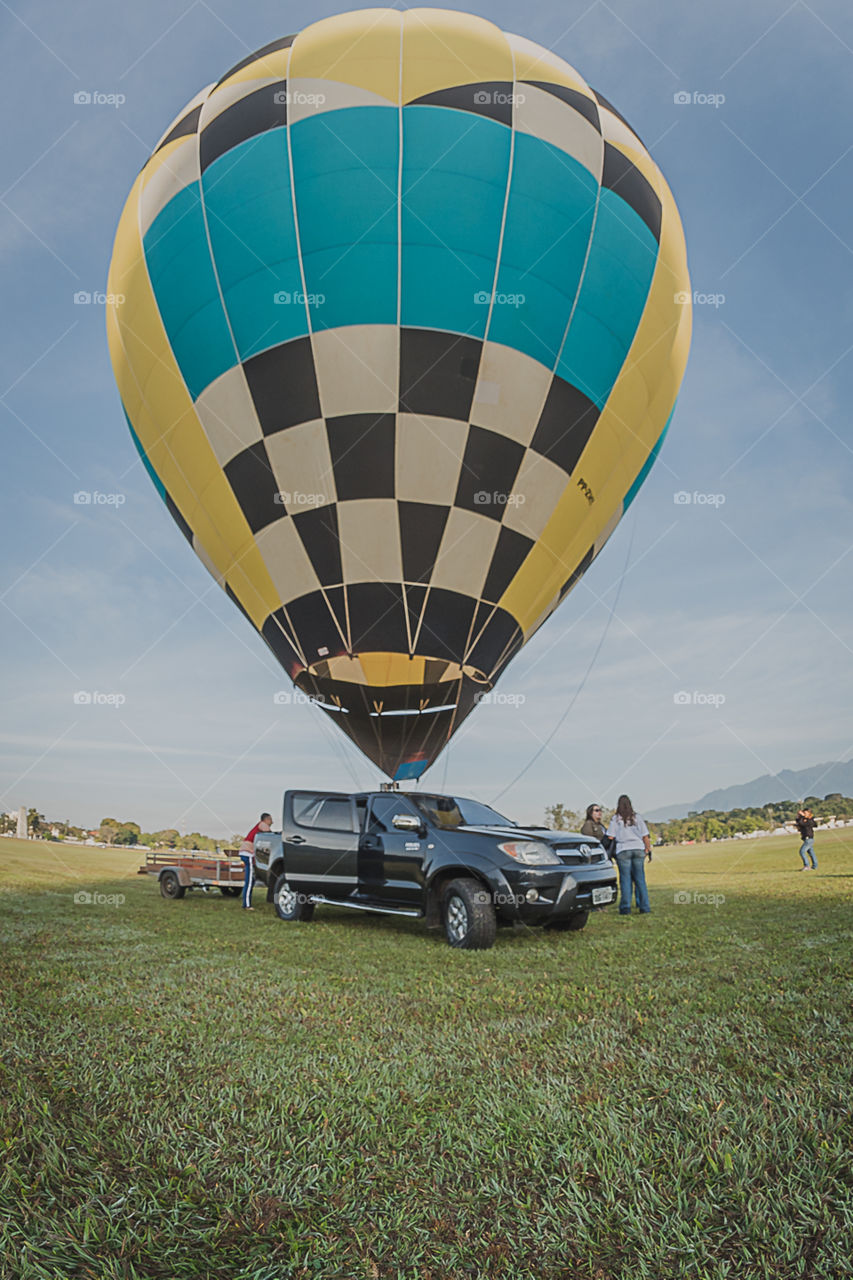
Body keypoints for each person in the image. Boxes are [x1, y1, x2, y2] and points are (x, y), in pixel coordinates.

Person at [606, 794, 652, 915]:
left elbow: (610, 836)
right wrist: (647, 849)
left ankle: (625, 907)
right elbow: (645, 836)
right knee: (640, 879)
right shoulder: (637, 817)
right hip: (638, 849)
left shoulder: (616, 819)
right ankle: (644, 907)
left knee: (625, 880)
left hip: (623, 850)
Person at [239, 812, 272, 910]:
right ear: (266, 819)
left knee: (252, 879)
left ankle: (247, 902)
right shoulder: (262, 824)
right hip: (248, 853)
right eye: (270, 819)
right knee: (249, 881)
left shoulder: (260, 826)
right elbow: (271, 836)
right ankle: (246, 905)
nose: (272, 822)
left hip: (248, 854)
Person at [795, 806, 818, 870]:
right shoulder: (804, 819)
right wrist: (799, 816)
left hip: (809, 839)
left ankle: (807, 866)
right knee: (811, 852)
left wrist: (802, 816)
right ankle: (815, 866)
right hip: (806, 838)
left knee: (802, 852)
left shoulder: (810, 820)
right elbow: (799, 822)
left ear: (809, 813)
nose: (804, 814)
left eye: (805, 813)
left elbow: (802, 823)